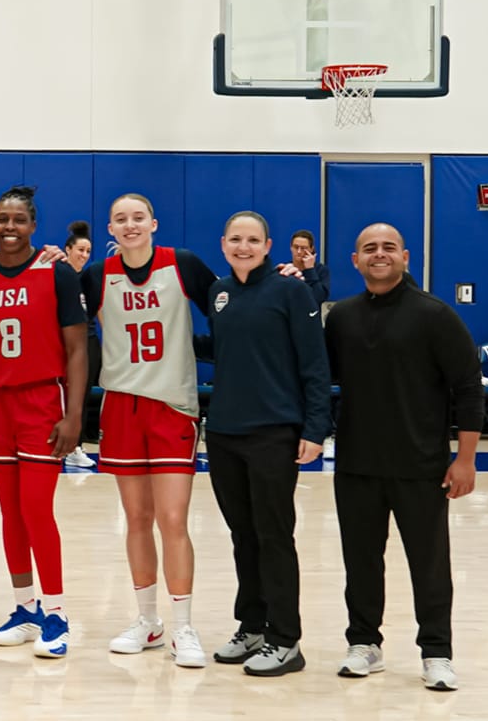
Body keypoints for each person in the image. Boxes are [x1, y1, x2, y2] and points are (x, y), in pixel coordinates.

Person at [325, 222, 480, 691]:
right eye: (369, 248)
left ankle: (437, 652)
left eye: (388, 247)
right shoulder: (342, 317)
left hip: (422, 466)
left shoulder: (434, 314)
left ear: (405, 256)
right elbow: (317, 378)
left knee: (429, 564)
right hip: (356, 464)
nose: (379, 254)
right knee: (361, 561)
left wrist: (465, 459)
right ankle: (364, 644)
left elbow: (468, 388)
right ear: (355, 260)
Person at [81, 193, 222, 668]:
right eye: (120, 219)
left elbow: (229, 305)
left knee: (173, 520)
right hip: (121, 406)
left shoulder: (181, 264)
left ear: (154, 223)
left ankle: (183, 625)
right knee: (136, 519)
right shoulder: (97, 276)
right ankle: (148, 621)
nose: (130, 225)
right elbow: (60, 315)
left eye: (138, 217)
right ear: (111, 228)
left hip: (172, 408)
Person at [0, 185, 88, 658]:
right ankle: (25, 608)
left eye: (19, 220)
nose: (10, 228)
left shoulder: (57, 274)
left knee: (36, 509)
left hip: (40, 402)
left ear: (33, 225)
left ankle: (57, 613)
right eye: (2, 220)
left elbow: (76, 349)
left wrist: (75, 415)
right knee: (10, 512)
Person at [203, 212, 332, 677]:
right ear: (223, 243)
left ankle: (286, 638)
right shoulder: (218, 292)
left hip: (274, 432)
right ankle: (252, 625)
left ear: (267, 244)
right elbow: (219, 347)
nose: (243, 246)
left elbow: (315, 364)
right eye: (235, 238)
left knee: (274, 536)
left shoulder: (291, 290)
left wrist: (316, 429)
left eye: (252, 239)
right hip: (222, 433)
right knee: (243, 536)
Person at [61, 220, 98, 468]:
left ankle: (76, 447)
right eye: (80, 250)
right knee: (61, 395)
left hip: (89, 343)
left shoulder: (89, 280)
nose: (83, 255)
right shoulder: (58, 275)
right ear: (68, 250)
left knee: (81, 397)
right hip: (63, 345)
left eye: (87, 251)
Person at [290, 229, 331, 304]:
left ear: (311, 249)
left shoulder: (321, 270)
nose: (299, 251)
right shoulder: (285, 270)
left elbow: (319, 297)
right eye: (296, 247)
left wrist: (310, 270)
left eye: (303, 248)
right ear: (291, 248)